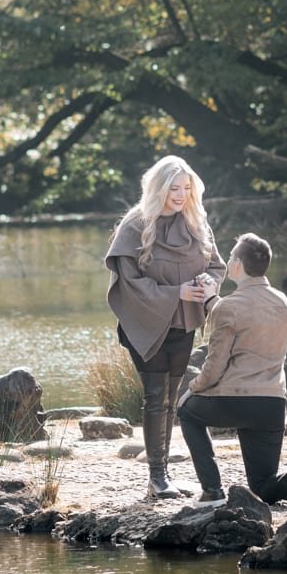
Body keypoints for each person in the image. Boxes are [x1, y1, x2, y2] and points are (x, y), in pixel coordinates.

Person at [176, 233, 287, 509]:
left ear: (237, 265)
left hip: (236, 401)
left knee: (187, 412)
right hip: (272, 404)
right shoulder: (282, 301)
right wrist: (213, 301)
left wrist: (192, 389)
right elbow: (245, 316)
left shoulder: (229, 307)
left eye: (229, 258)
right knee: (263, 486)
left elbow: (214, 367)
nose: (227, 261)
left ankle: (212, 491)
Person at [105, 156, 226, 499]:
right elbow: (129, 283)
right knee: (156, 398)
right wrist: (177, 293)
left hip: (184, 323)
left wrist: (208, 284)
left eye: (186, 188)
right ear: (159, 188)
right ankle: (156, 478)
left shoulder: (196, 222)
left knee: (172, 399)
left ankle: (164, 476)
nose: (180, 195)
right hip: (146, 324)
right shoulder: (135, 225)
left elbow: (216, 266)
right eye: (174, 188)